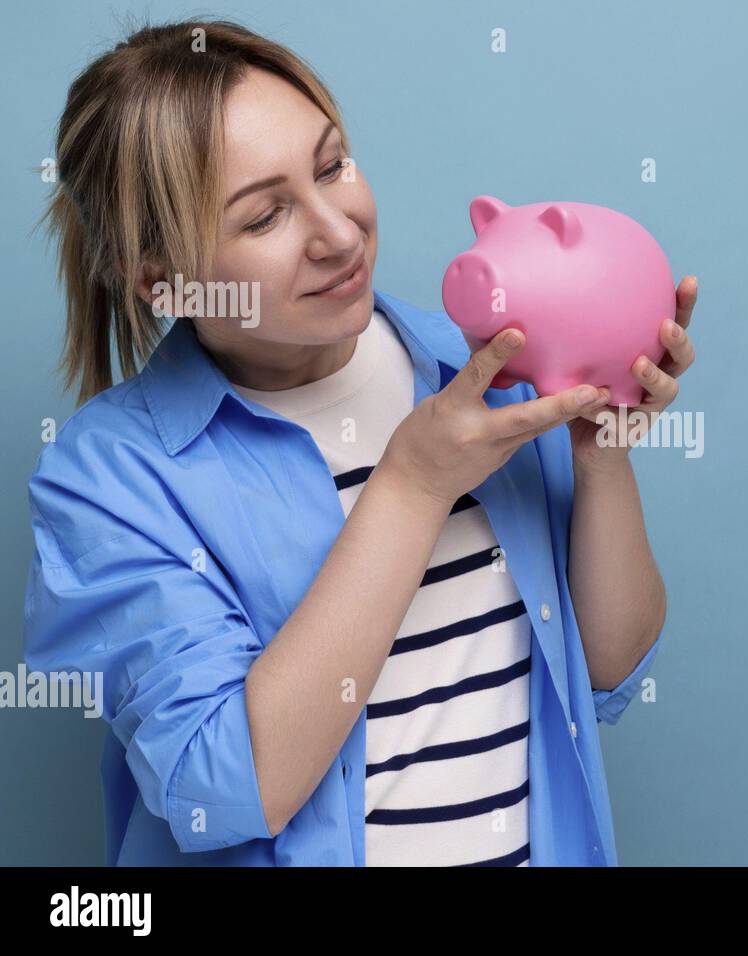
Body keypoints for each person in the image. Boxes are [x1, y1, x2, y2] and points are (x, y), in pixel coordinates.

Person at [22, 18, 698, 866]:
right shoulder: (109, 480)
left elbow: (609, 668)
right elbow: (224, 790)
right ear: (163, 281)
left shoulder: (478, 368)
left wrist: (603, 452)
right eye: (265, 215)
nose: (339, 234)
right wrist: (411, 487)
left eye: (333, 165)